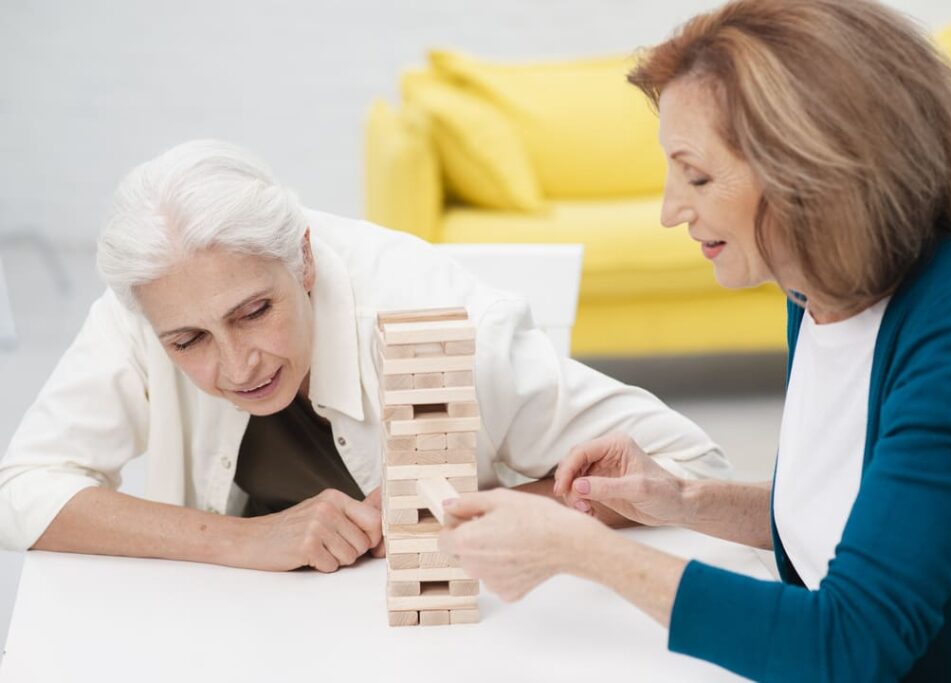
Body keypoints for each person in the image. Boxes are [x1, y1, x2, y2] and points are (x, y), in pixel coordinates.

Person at [437, 0, 951, 680]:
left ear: (812, 175)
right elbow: (844, 524)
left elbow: (852, 643)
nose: (668, 210)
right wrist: (677, 497)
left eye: (698, 175)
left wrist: (581, 550)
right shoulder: (818, 288)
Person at [0, 139, 730, 572]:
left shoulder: (437, 312)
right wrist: (244, 541)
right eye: (188, 342)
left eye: (254, 312)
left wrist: (480, 515)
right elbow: (21, 487)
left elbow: (685, 466)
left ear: (305, 261)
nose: (237, 365)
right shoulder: (148, 303)